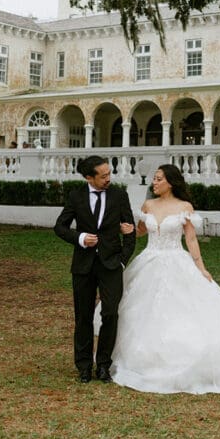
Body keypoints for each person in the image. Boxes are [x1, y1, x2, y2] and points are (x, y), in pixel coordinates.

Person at [105, 164, 220, 394]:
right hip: (150, 261)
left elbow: (191, 239)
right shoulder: (148, 205)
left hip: (176, 259)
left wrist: (201, 268)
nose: (154, 183)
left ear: (171, 182)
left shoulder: (184, 207)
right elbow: (142, 231)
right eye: (154, 179)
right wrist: (126, 230)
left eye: (158, 179)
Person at [54, 155, 136, 384]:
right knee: (83, 317)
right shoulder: (76, 196)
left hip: (111, 265)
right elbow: (59, 227)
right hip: (83, 266)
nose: (108, 178)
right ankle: (83, 366)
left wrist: (122, 260)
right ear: (89, 177)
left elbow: (129, 232)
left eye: (109, 174)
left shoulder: (120, 196)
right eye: (103, 176)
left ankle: (103, 365)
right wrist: (79, 237)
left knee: (110, 313)